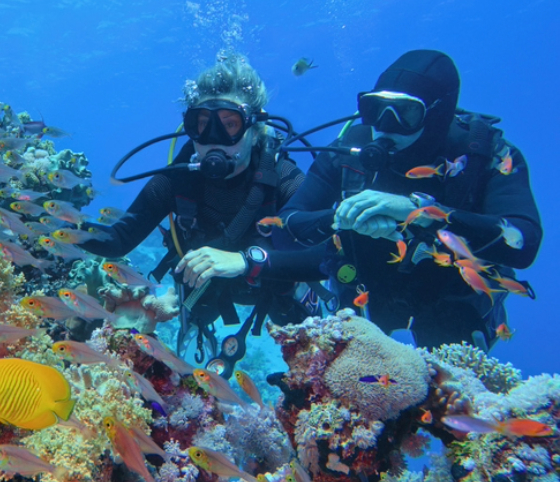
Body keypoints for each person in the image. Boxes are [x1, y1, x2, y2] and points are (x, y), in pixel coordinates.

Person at [276, 49, 542, 350]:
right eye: (375, 108)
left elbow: (525, 241)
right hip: (364, 299)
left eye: (407, 112)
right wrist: (341, 216)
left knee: (447, 385)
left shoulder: (484, 155)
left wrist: (425, 213)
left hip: (451, 302)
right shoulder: (349, 152)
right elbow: (283, 229)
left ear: (437, 113)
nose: (385, 125)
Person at [82, 52, 325, 376]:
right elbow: (118, 239)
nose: (214, 142)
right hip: (205, 287)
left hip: (272, 282)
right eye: (202, 126)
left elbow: (326, 252)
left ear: (255, 129)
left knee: (306, 336)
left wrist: (247, 260)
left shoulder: (283, 177)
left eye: (230, 126)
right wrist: (57, 223)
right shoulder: (177, 178)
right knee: (193, 317)